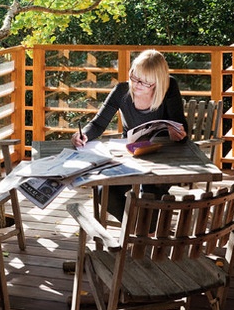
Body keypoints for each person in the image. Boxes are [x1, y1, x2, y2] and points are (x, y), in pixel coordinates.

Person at [71, 49, 188, 222]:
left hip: (162, 158)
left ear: (157, 81)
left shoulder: (169, 88)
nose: (137, 84)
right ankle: (137, 227)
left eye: (144, 82)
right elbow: (98, 124)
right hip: (131, 156)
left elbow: (181, 127)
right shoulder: (121, 91)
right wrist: (82, 135)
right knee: (105, 193)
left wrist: (179, 134)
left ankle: (142, 229)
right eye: (134, 76)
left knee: (151, 194)